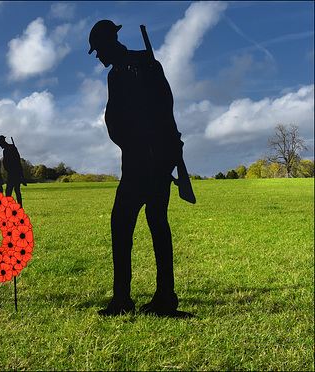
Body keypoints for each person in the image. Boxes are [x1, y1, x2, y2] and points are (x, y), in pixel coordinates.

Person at [88, 20, 193, 317]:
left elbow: (158, 109)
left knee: (126, 225)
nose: (98, 57)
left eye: (98, 51)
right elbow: (148, 112)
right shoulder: (140, 64)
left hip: (144, 161)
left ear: (109, 44)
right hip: (151, 158)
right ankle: (162, 299)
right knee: (156, 225)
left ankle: (129, 299)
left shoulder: (133, 68)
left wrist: (143, 144)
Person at [0, 135, 25, 207]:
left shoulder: (6, 150)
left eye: (0, 144)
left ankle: (9, 207)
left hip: (12, 173)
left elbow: (7, 162)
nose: (0, 146)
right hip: (16, 172)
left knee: (9, 192)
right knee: (16, 191)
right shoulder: (12, 147)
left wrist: (9, 169)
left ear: (3, 142)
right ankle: (20, 206)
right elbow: (18, 160)